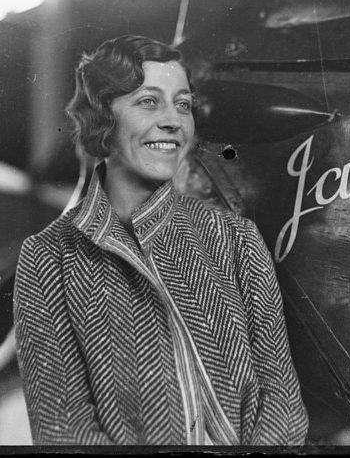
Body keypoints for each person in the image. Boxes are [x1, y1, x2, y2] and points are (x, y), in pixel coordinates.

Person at [13, 35, 309, 445]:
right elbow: (65, 430)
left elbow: (283, 404)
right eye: (149, 101)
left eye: (183, 104)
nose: (173, 120)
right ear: (103, 118)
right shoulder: (48, 257)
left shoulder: (237, 238)